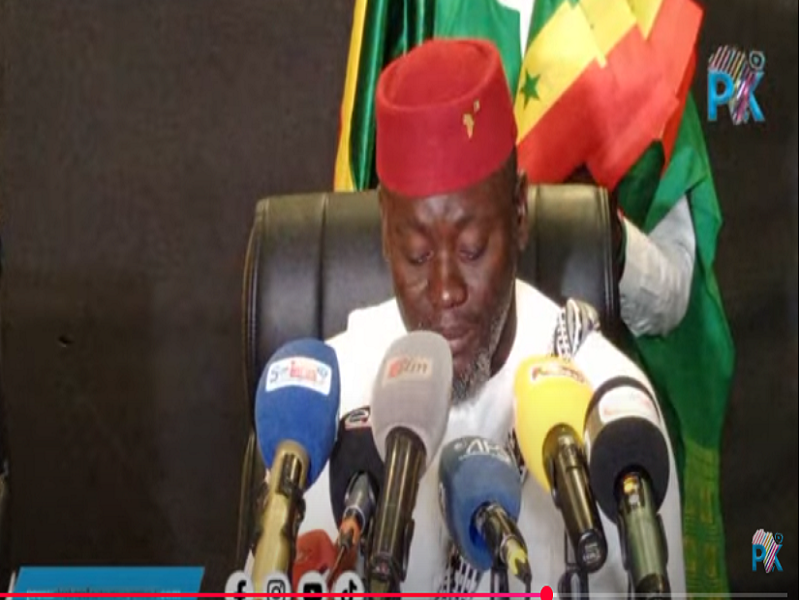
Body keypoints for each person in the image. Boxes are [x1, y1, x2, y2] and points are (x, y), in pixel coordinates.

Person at [258, 38, 686, 595]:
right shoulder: (324, 407)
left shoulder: (613, 417)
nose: (445, 292)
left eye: (472, 249)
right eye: (417, 255)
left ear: (519, 213)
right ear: (384, 232)